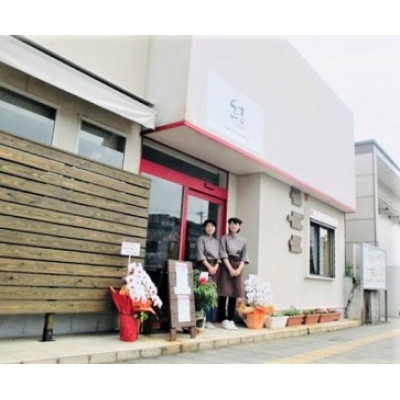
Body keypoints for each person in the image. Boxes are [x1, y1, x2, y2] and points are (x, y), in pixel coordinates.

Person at [218, 217, 249, 330]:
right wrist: (230, 269)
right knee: (224, 292)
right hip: (227, 265)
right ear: (229, 226)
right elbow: (223, 254)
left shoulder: (243, 240)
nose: (233, 226)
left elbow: (244, 256)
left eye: (235, 224)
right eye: (231, 224)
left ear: (239, 226)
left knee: (234, 293)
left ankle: (231, 319)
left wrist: (239, 269)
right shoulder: (224, 238)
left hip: (238, 266)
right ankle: (223, 319)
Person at [195, 219, 220, 329]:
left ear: (215, 228)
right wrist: (209, 267)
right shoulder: (201, 239)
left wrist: (215, 267)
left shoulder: (216, 242)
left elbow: (220, 257)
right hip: (203, 267)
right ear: (205, 228)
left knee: (212, 293)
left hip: (214, 268)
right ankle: (201, 318)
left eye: (212, 226)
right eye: (208, 226)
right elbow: (200, 255)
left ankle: (210, 320)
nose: (210, 228)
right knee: (203, 293)